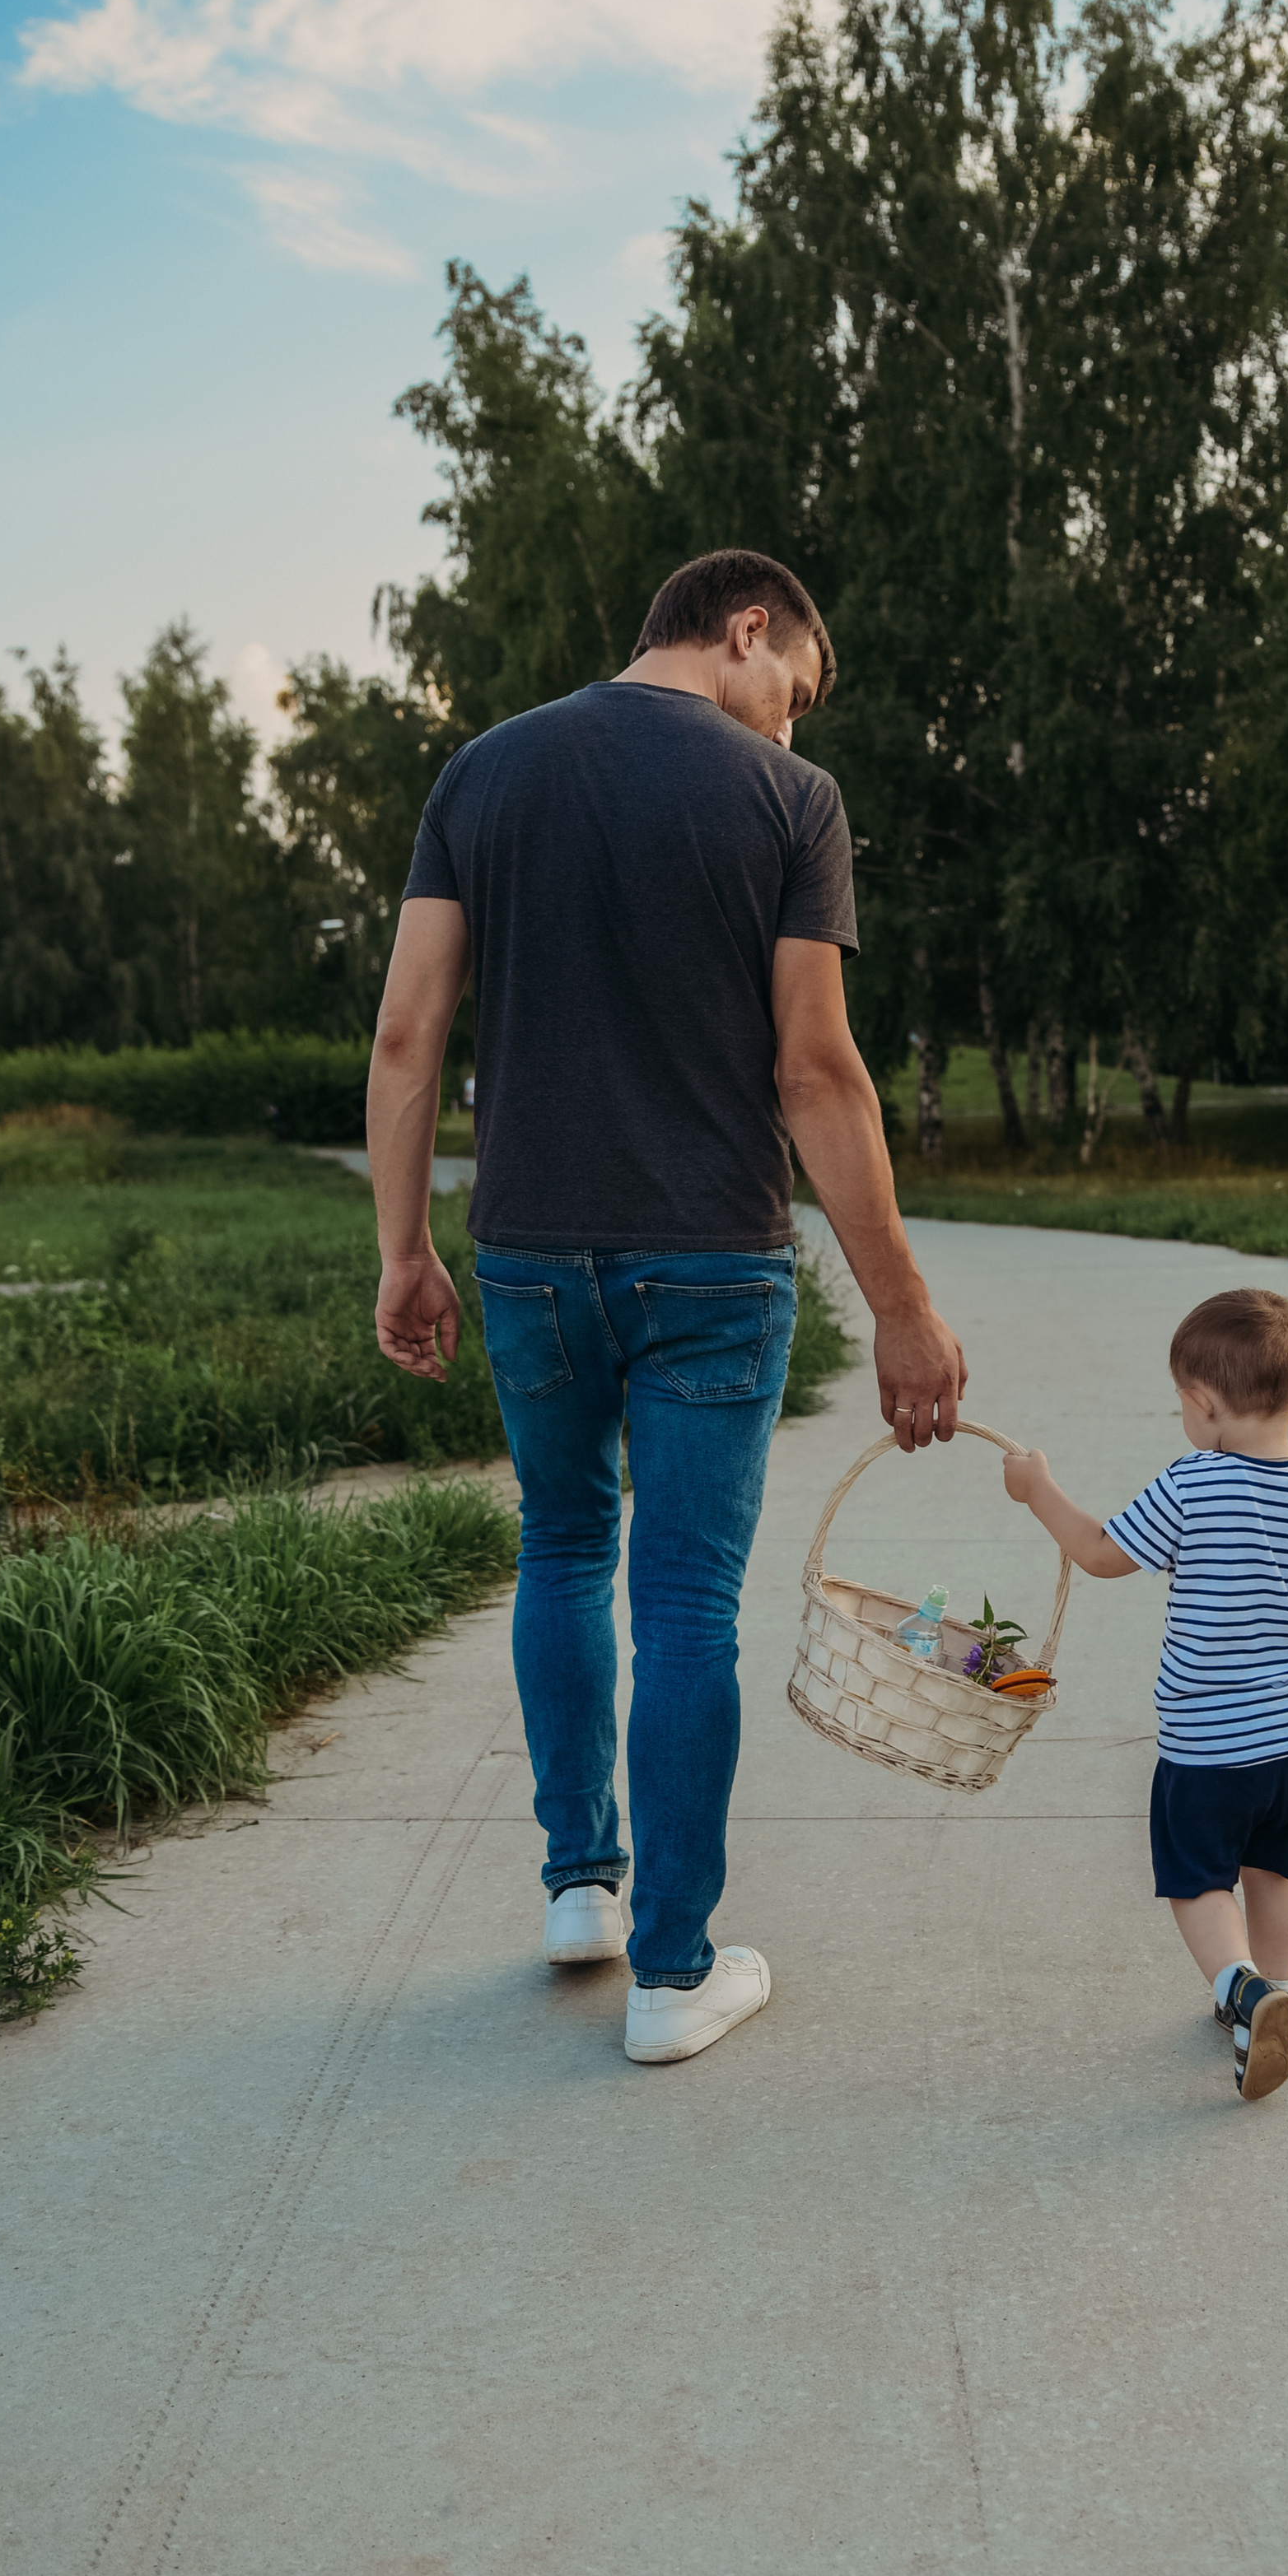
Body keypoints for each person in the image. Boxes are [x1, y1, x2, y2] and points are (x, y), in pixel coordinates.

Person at [363, 548, 968, 2066]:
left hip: (526, 1254)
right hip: (711, 1258)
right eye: (797, 693)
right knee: (685, 1599)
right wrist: (902, 1307)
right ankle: (674, 1971)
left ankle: (583, 1883)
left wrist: (403, 1247)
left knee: (563, 1542)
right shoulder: (788, 803)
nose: (793, 727)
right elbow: (816, 1073)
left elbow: (403, 1031)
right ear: (746, 630)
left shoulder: (481, 773)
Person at [1000, 1287, 1288, 2102]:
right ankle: (1278, 1991)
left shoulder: (1192, 1484)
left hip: (1212, 1746)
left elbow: (1101, 1554)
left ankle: (1241, 1989)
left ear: (1201, 1404)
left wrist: (1035, 1489)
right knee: (1277, 1870)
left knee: (1197, 1879)